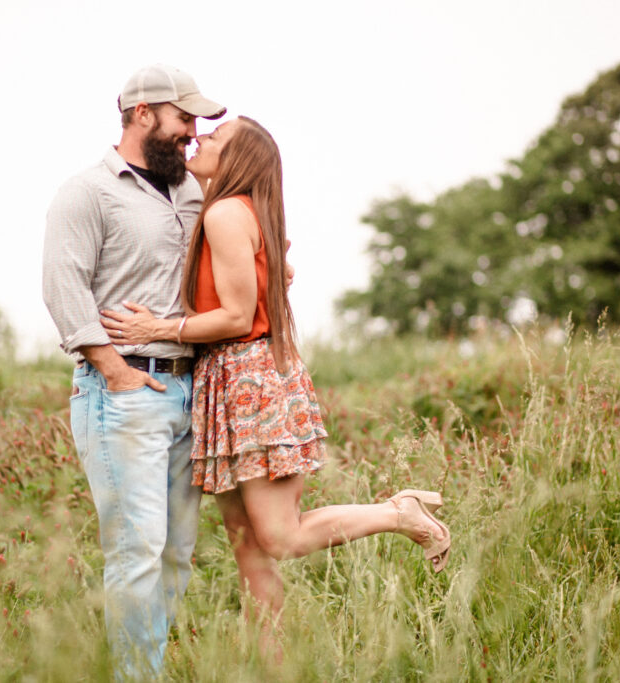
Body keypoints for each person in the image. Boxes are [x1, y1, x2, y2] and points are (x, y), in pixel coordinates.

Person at [99, 115, 452, 656]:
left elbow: (239, 317)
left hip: (248, 382)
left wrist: (157, 328)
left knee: (280, 537)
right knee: (249, 549)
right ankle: (274, 666)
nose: (200, 138)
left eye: (215, 138)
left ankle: (397, 514)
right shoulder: (240, 211)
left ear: (238, 159)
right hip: (227, 383)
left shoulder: (223, 213)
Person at [42, 64, 225, 677]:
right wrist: (113, 369)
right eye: (183, 118)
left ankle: (142, 670)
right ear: (142, 112)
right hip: (123, 392)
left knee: (175, 554)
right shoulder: (88, 191)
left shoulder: (195, 192)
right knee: (137, 550)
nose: (192, 132)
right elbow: (61, 284)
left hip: (187, 388)